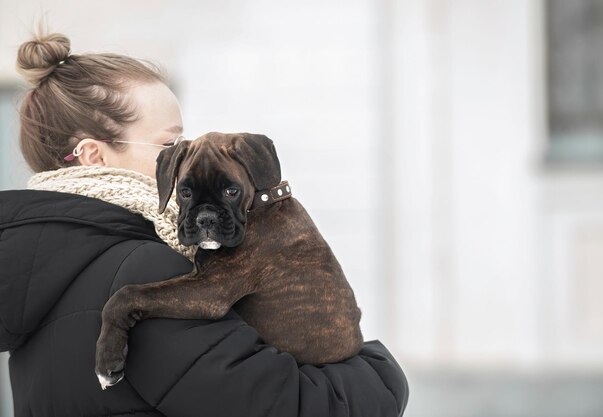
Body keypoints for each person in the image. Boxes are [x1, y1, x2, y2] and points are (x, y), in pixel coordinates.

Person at [0, 29, 409, 417]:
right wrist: (381, 371)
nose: (186, 155)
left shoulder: (39, 273)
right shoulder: (145, 267)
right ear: (93, 156)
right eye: (169, 144)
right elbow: (290, 406)